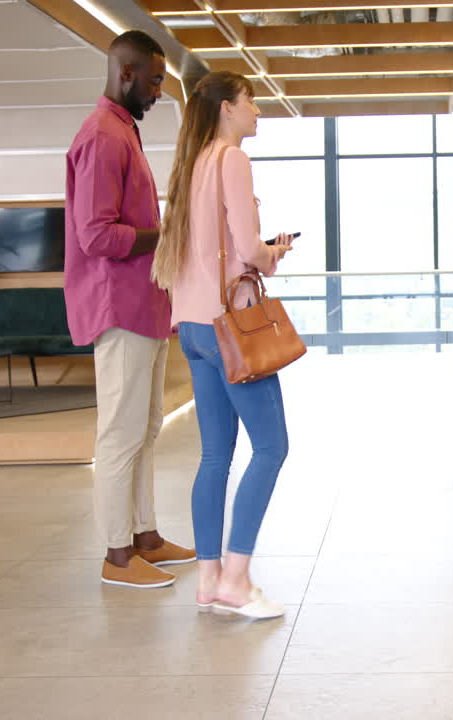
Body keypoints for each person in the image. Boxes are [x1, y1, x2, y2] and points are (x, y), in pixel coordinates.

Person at [151, 71, 295, 619]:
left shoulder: (190, 165)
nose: (257, 110)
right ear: (227, 108)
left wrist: (258, 249)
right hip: (229, 328)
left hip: (191, 327)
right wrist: (272, 253)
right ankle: (236, 578)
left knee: (214, 455)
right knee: (271, 447)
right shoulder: (232, 159)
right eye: (250, 100)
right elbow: (248, 250)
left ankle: (209, 579)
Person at [65, 30, 195, 589]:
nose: (159, 92)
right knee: (120, 434)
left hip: (144, 303)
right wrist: (166, 234)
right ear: (126, 73)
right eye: (155, 81)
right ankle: (117, 556)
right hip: (118, 305)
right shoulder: (103, 136)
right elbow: (96, 235)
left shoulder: (123, 131)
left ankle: (145, 537)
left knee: (145, 427)